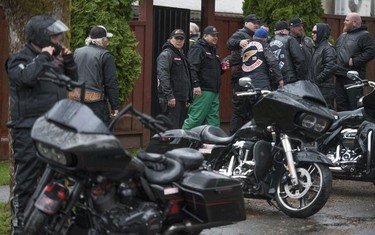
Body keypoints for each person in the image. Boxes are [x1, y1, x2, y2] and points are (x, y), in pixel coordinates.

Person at [5, 15, 78, 234]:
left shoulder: (54, 59)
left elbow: (72, 82)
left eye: (58, 36)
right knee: (27, 179)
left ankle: (54, 222)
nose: (58, 40)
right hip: (28, 129)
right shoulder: (19, 59)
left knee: (57, 175)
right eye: (54, 36)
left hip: (54, 127)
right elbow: (27, 78)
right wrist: (45, 57)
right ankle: (21, 224)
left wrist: (69, 61)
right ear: (41, 37)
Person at [182, 26, 229, 130]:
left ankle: (211, 144)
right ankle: (181, 141)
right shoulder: (198, 48)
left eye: (216, 35)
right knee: (196, 118)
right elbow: (192, 68)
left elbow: (210, 71)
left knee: (213, 121)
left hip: (213, 90)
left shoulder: (211, 50)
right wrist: (196, 85)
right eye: (212, 35)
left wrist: (222, 69)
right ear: (204, 36)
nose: (215, 37)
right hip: (203, 90)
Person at [73, 25, 120, 126]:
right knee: (102, 136)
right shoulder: (106, 56)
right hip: (96, 104)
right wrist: (115, 107)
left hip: (77, 102)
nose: (108, 41)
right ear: (103, 40)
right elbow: (110, 83)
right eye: (107, 38)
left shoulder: (77, 52)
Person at [226, 14, 261, 134]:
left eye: (258, 23)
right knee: (239, 109)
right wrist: (239, 42)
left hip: (251, 77)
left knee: (250, 109)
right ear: (246, 23)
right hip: (240, 76)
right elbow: (230, 43)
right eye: (253, 22)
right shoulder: (241, 33)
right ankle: (233, 137)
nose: (256, 24)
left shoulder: (255, 36)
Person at [335, 12, 375, 111]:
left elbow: (372, 50)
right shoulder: (343, 35)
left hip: (354, 78)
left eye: (347, 20)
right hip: (339, 75)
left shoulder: (364, 36)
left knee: (354, 106)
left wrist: (355, 61)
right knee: (341, 105)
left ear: (355, 22)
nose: (344, 22)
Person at [156, 29, 192, 129]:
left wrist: (188, 96)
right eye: (176, 38)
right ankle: (169, 145)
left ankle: (176, 145)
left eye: (181, 39)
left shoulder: (180, 54)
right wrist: (169, 96)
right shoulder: (166, 54)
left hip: (180, 98)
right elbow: (163, 76)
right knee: (171, 129)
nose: (179, 41)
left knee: (178, 128)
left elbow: (185, 76)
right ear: (170, 39)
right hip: (171, 99)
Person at [311, 23, 337, 109]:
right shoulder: (317, 48)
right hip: (317, 88)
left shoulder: (328, 49)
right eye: (312, 32)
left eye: (315, 32)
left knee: (326, 113)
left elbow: (331, 67)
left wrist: (318, 79)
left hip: (325, 88)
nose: (312, 34)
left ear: (322, 33)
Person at [270, 20, 305, 85]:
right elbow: (299, 60)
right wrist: (300, 78)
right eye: (288, 30)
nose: (289, 32)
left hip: (276, 80)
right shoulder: (290, 39)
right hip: (290, 79)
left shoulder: (270, 41)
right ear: (283, 30)